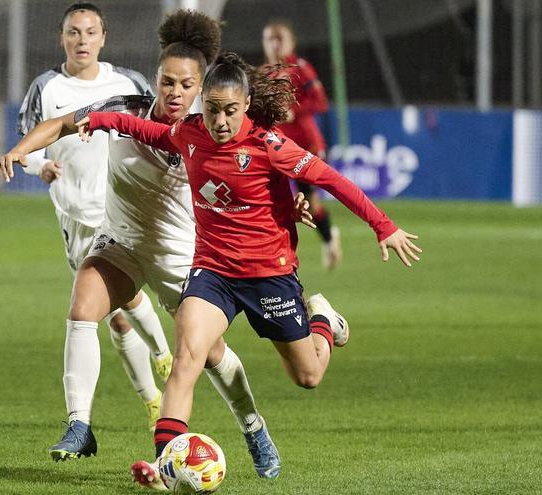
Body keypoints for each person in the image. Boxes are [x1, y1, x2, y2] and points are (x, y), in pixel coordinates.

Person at [69, 52, 421, 486]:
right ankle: (167, 466)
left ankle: (324, 321)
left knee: (307, 376)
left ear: (247, 104)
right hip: (213, 272)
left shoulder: (269, 146)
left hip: (269, 277)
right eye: (212, 108)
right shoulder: (190, 134)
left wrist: (383, 226)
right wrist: (104, 120)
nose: (220, 120)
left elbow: (333, 180)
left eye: (230, 110)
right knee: (187, 358)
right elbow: (150, 130)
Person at [0, 10, 313, 473]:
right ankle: (80, 425)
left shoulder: (211, 133)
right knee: (83, 305)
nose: (176, 93)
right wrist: (18, 152)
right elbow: (60, 124)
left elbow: (258, 176)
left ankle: (253, 428)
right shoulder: (126, 107)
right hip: (121, 244)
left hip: (184, 258)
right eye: (168, 81)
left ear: (202, 88)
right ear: (156, 79)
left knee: (211, 355)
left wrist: (291, 209)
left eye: (187, 86)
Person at [16, 2, 174, 458]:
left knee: (113, 304)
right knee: (118, 312)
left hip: (121, 207)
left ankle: (159, 365)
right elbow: (28, 141)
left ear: (103, 36)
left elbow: (157, 132)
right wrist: (38, 165)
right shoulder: (47, 87)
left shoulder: (128, 84)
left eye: (89, 32)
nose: (81, 40)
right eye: (72, 32)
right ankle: (152, 395)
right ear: (62, 37)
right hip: (74, 215)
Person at [263, 20, 343, 270]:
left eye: (280, 38)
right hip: (276, 148)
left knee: (309, 204)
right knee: (267, 201)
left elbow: (321, 102)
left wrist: (293, 111)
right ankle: (270, 255)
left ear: (291, 42)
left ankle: (329, 239)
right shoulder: (265, 73)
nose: (275, 44)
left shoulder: (301, 68)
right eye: (270, 39)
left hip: (304, 147)